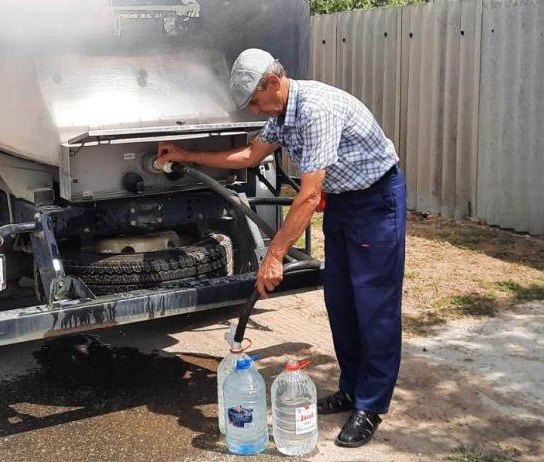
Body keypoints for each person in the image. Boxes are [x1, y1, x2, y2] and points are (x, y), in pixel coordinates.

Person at [156, 48, 406, 448]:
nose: (255, 109)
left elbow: (308, 196)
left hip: (376, 201)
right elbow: (251, 154)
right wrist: (187, 154)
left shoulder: (315, 109)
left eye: (255, 100)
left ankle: (371, 405)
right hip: (344, 200)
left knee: (373, 304)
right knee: (341, 300)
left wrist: (273, 256)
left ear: (273, 82)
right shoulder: (281, 113)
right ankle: (351, 389)